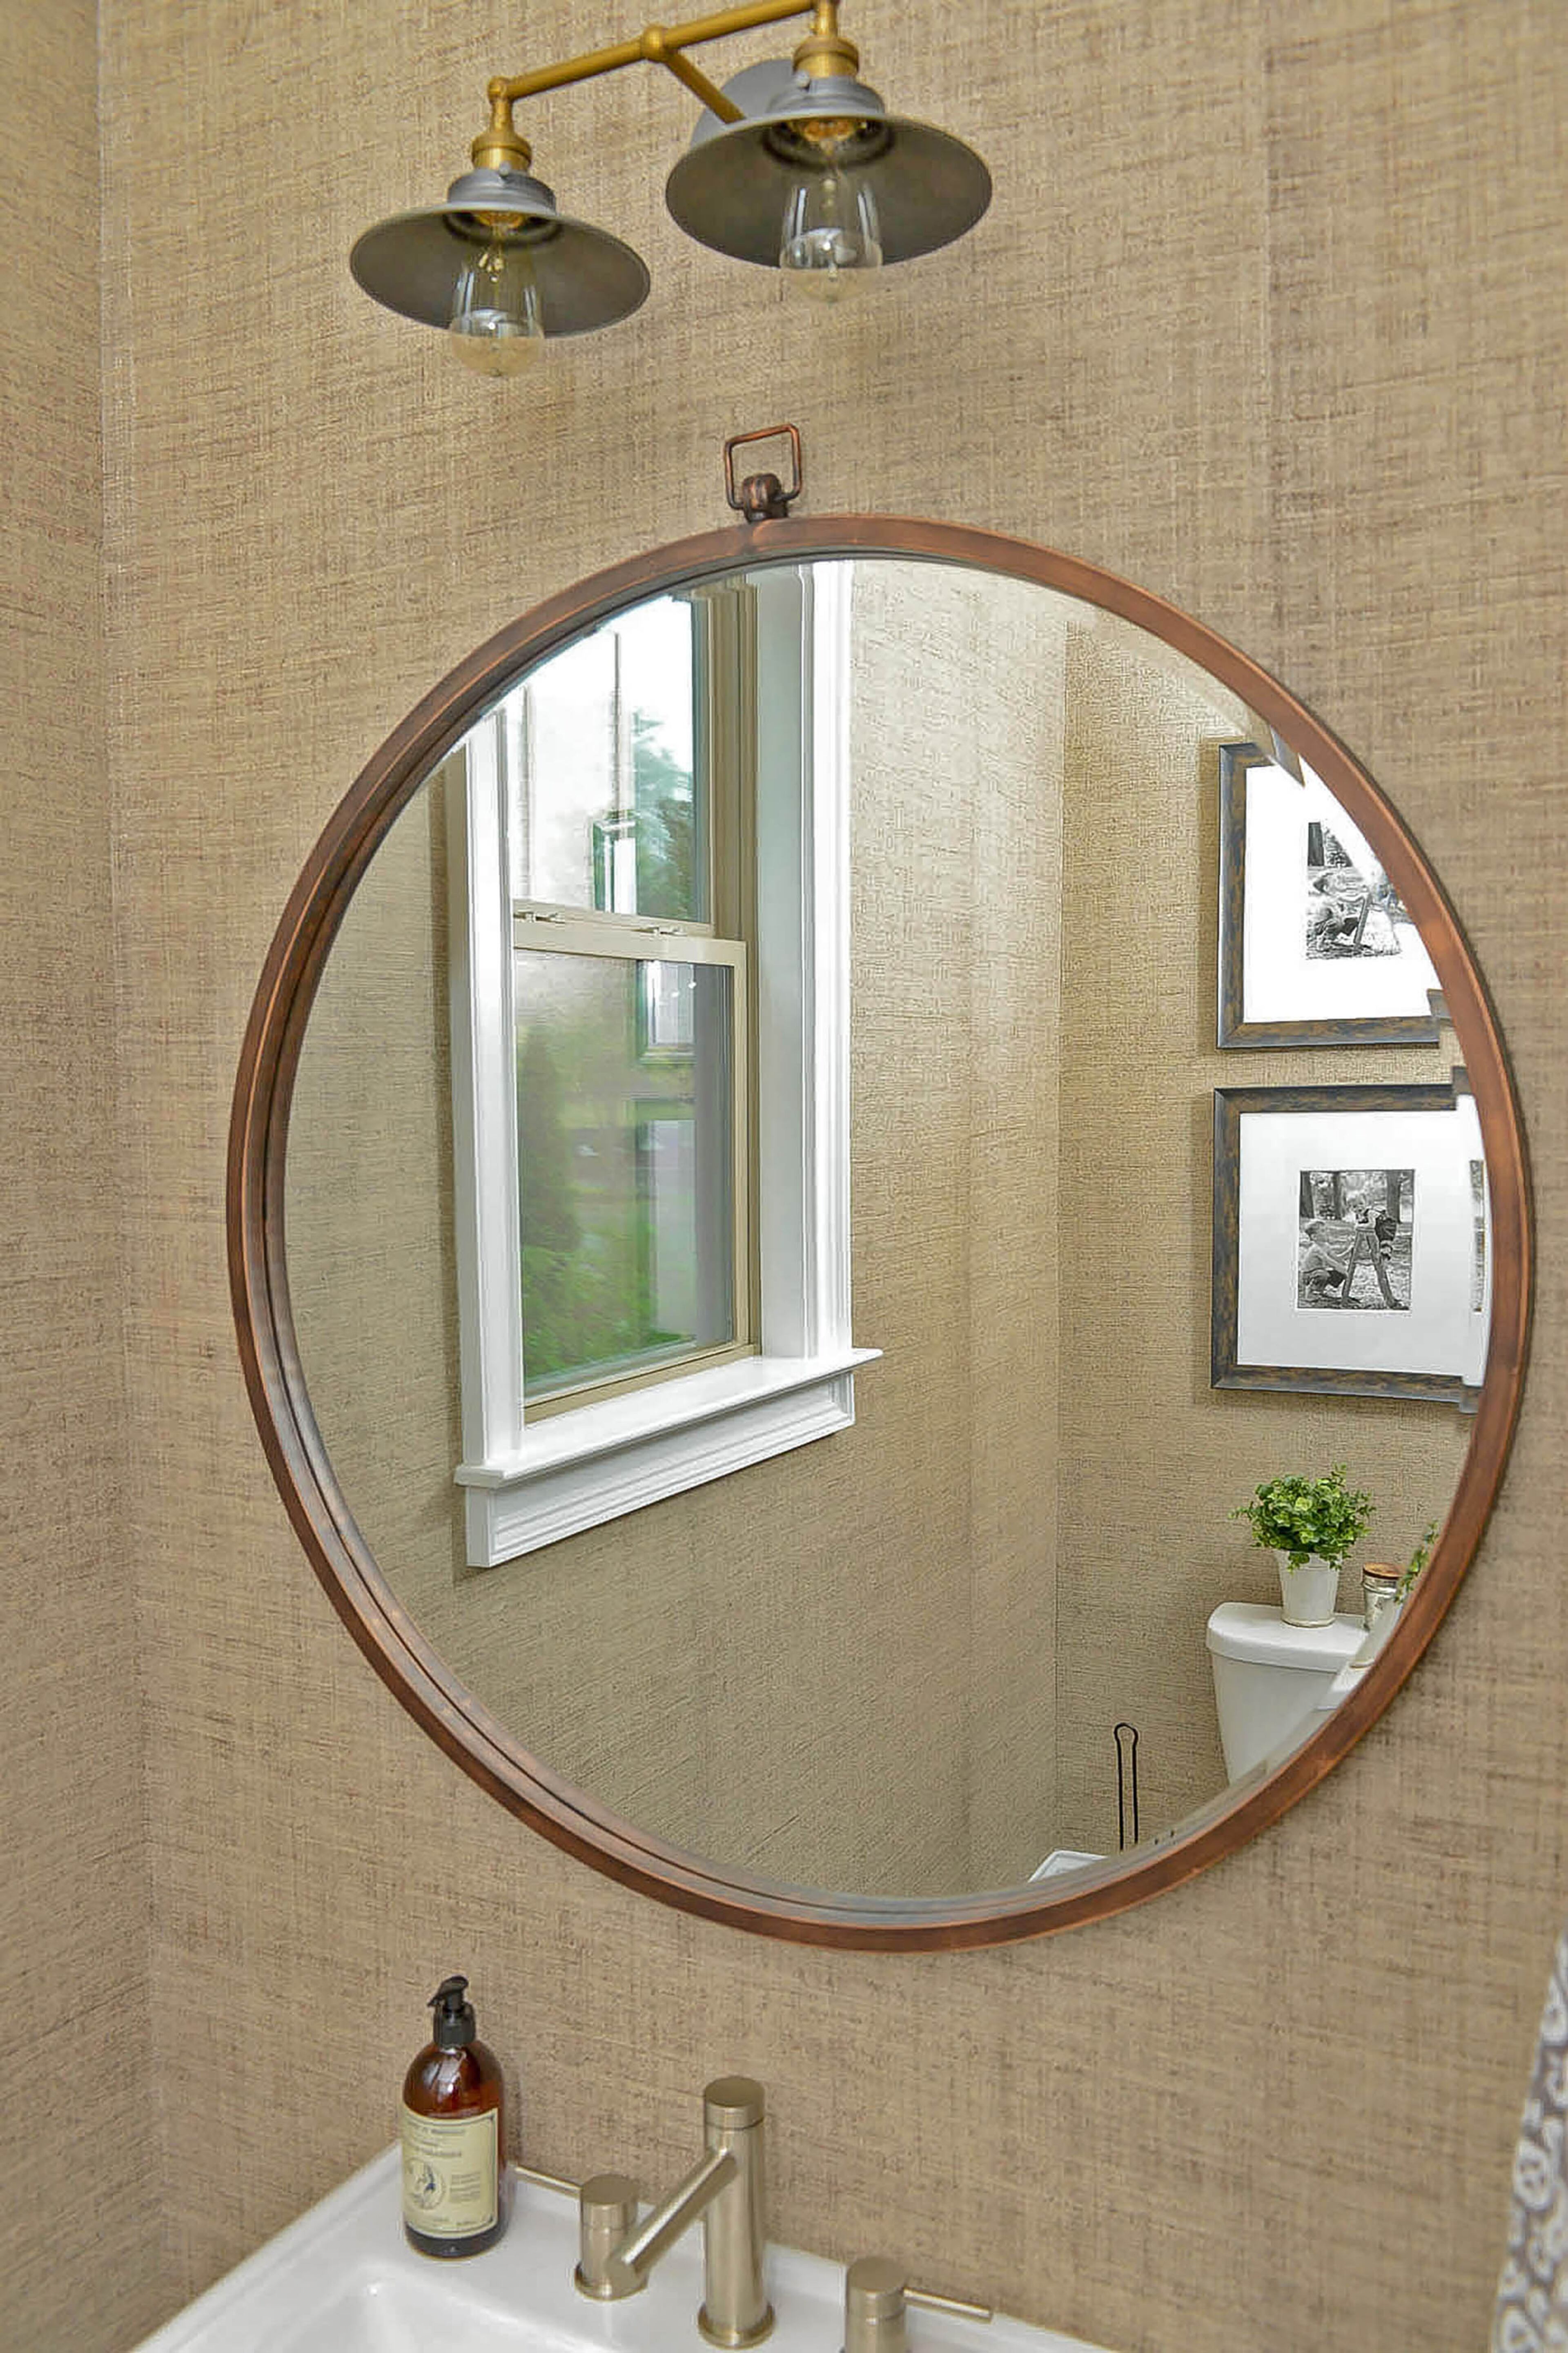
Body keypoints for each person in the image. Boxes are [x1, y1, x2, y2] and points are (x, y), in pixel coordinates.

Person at [1300, 1218, 1351, 1304]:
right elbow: (1330, 1262)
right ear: (1315, 1237)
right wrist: (1344, 1271)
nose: (1327, 1232)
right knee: (1323, 1275)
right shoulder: (1316, 1249)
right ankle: (1310, 1292)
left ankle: (1319, 1291)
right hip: (1308, 1275)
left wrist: (1349, 1251)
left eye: (1327, 1230)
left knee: (1338, 1274)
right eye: (1323, 1231)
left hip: (1318, 1271)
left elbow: (1336, 1258)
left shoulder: (1326, 1246)